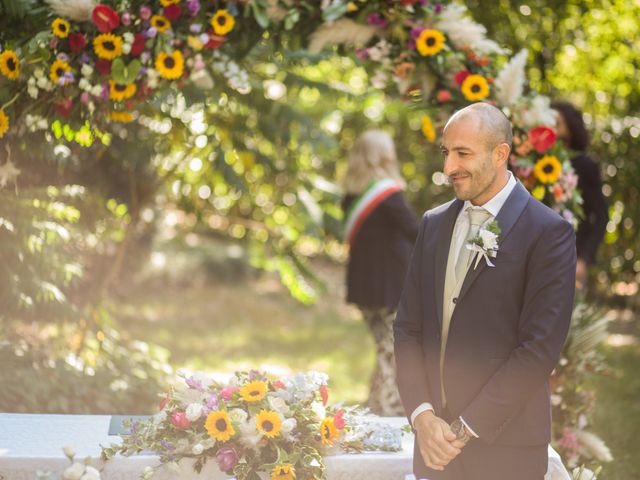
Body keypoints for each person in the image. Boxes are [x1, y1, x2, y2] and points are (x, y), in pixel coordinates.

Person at [393, 103, 576, 479]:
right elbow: (407, 329)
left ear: (500, 154)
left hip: (506, 449)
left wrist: (461, 431)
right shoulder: (433, 224)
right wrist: (423, 417)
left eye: (463, 153)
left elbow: (538, 351)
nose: (448, 168)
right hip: (433, 447)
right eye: (446, 153)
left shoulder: (548, 233)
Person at [342, 129, 419, 416]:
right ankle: (386, 406)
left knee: (385, 346)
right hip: (391, 286)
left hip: (364, 287)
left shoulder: (351, 194)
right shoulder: (388, 194)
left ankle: (377, 403)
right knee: (393, 348)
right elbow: (414, 230)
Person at [552, 101, 608, 291]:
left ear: (570, 126)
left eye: (557, 121)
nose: (551, 125)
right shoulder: (536, 163)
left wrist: (584, 259)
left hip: (571, 258)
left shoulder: (585, 165)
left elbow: (601, 216)